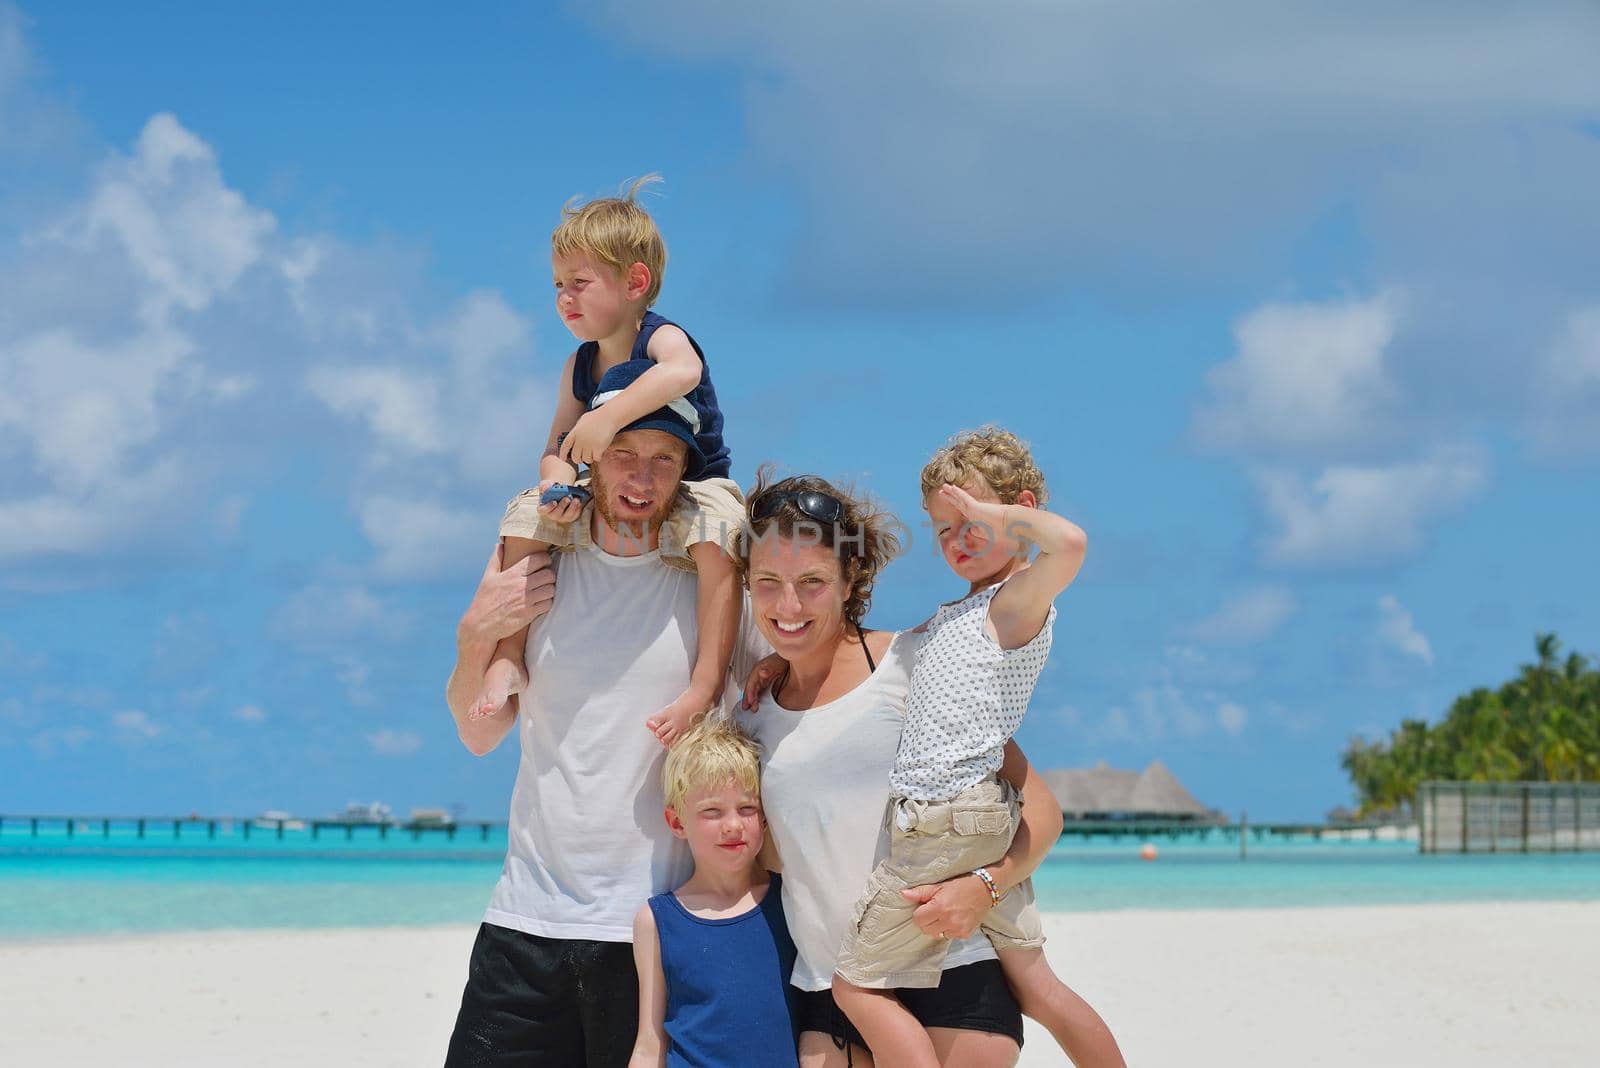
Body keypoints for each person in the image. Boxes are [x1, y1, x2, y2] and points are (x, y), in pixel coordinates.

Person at [736, 473, 1119, 1067]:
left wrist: (983, 887)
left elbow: (1041, 811)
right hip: (828, 986)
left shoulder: (912, 667)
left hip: (953, 975)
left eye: (812, 582)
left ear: (850, 580)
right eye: (768, 583)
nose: (788, 606)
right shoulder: (752, 712)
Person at [441, 383, 761, 1067]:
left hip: (661, 930)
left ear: (686, 472)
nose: (642, 479)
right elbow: (477, 734)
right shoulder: (540, 568)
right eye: (623, 455)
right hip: (524, 924)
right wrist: (476, 638)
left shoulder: (714, 588)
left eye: (663, 460)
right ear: (591, 460)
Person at [472, 175, 744, 747]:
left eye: (579, 283)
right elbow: (556, 446)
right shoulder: (579, 364)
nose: (563, 298)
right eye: (556, 285)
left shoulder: (659, 336)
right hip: (610, 478)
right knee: (525, 514)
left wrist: (607, 420)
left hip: (697, 477)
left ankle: (705, 681)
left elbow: (683, 374)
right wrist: (558, 486)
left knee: (721, 532)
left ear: (634, 282)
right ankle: (509, 655)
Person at [629, 715, 800, 1068]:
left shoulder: (790, 900)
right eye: (712, 811)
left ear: (764, 818)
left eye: (747, 808)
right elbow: (649, 1042)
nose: (734, 825)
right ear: (677, 823)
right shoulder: (656, 921)